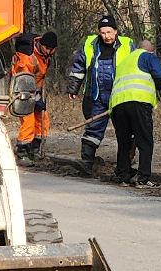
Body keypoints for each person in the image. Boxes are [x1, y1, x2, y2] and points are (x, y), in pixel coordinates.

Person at [106, 36, 161, 186]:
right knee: (145, 140)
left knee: (124, 141)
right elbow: (160, 75)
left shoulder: (125, 60)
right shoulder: (147, 56)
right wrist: (157, 86)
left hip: (118, 104)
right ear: (149, 50)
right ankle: (143, 179)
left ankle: (123, 177)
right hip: (138, 101)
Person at [68, 15, 124, 172]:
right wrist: (73, 87)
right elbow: (78, 66)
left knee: (125, 130)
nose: (106, 36)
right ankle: (86, 162)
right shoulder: (90, 44)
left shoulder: (127, 45)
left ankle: (124, 166)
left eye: (109, 32)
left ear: (116, 31)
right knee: (93, 128)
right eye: (103, 33)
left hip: (119, 96)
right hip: (97, 95)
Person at [9, 30, 59, 159]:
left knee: (43, 119)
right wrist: (35, 98)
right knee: (28, 121)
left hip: (35, 92)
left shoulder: (45, 57)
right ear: (40, 44)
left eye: (51, 49)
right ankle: (22, 151)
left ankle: (35, 148)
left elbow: (40, 77)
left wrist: (39, 97)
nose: (48, 51)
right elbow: (24, 81)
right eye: (46, 48)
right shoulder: (27, 58)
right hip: (22, 92)